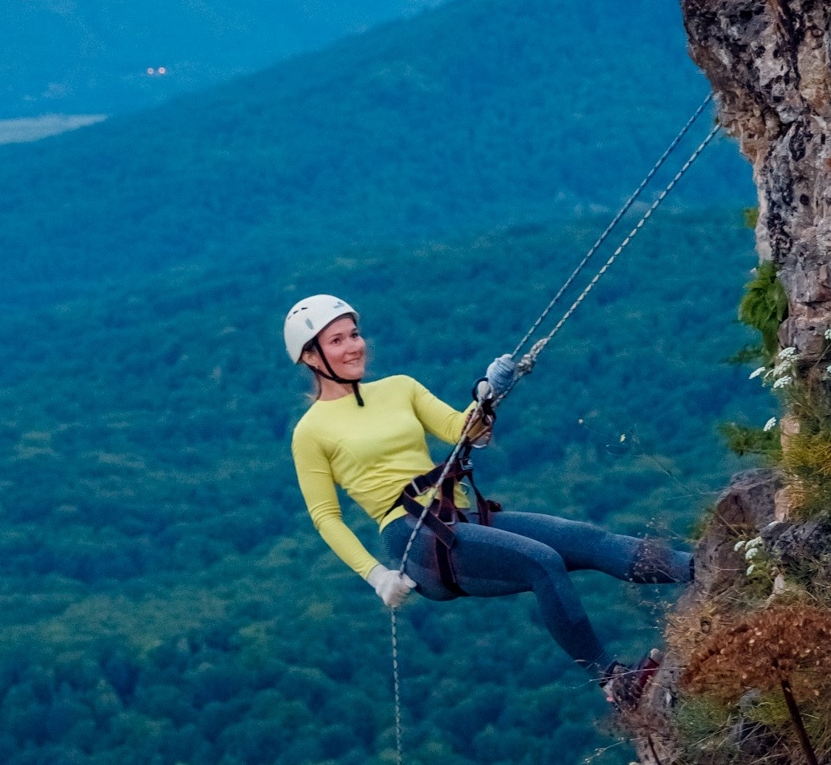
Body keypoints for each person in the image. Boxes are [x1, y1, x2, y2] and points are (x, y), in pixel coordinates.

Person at [284, 294, 687, 706]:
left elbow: (463, 431)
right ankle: (612, 681)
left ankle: (700, 568)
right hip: (413, 538)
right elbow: (325, 517)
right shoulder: (311, 431)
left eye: (354, 334)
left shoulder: (399, 388)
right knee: (541, 560)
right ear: (312, 358)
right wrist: (375, 575)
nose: (353, 346)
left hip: (460, 517)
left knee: (585, 538)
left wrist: (486, 397)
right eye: (336, 341)